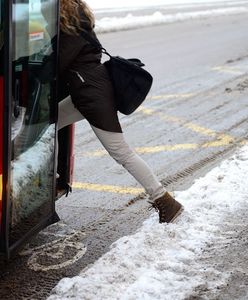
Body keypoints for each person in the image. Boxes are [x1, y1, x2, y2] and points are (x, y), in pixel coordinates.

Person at [58, 0, 183, 223]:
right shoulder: (77, 18)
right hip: (89, 88)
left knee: (122, 153)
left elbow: (56, 64)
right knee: (44, 125)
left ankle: (164, 200)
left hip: (91, 94)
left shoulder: (68, 30)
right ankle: (50, 181)